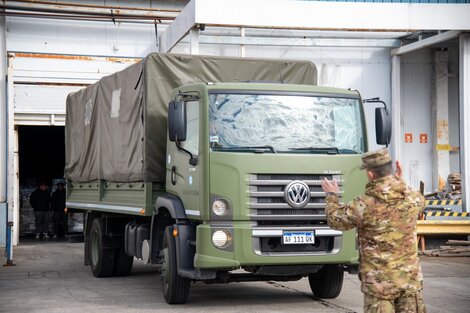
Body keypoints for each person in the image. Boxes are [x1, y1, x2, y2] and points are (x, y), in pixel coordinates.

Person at [321, 148, 426, 313]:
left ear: (370, 174)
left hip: (379, 287)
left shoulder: (363, 205)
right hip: (409, 282)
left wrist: (331, 195)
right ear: (396, 167)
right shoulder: (414, 198)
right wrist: (398, 182)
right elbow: (419, 201)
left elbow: (335, 220)